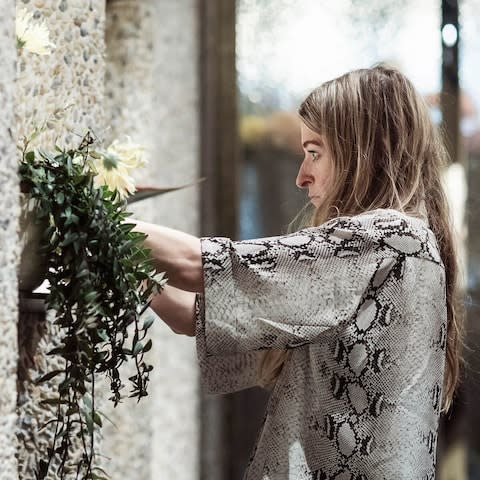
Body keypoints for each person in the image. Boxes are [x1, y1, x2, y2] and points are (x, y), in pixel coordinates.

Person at [132, 65, 463, 479]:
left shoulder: (385, 238)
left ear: (366, 149)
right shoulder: (408, 244)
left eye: (315, 153)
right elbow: (191, 314)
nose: (301, 176)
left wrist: (94, 213)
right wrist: (119, 256)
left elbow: (195, 264)